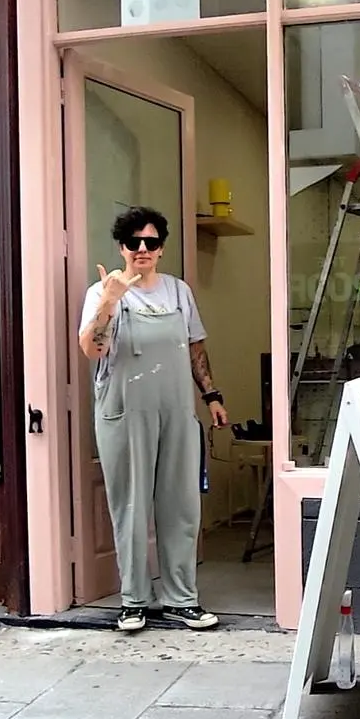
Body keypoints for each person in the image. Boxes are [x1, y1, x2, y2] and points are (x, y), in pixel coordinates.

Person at [79, 206, 229, 633]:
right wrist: (109, 302)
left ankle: (182, 599)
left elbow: (195, 347)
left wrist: (211, 395)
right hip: (125, 412)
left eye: (151, 242)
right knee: (130, 505)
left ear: (161, 248)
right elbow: (91, 348)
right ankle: (133, 601)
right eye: (134, 242)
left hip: (176, 410)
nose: (142, 249)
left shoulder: (179, 292)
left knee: (181, 504)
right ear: (121, 247)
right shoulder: (102, 292)